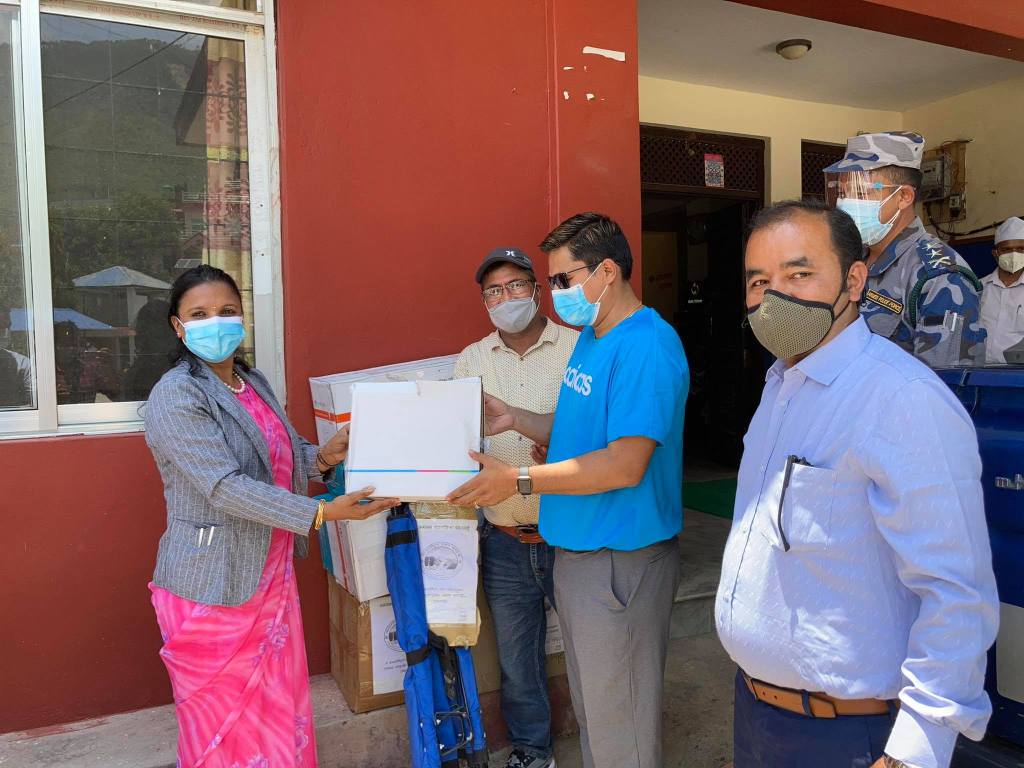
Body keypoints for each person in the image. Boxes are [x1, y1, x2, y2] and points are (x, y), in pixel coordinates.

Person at [717, 199, 998, 768]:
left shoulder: (901, 399)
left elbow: (956, 590)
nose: (775, 297)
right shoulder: (779, 388)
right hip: (758, 716)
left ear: (854, 280)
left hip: (850, 736)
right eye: (759, 281)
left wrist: (914, 750)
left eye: (799, 274)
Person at [446, 213, 689, 768]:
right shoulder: (595, 338)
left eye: (562, 279)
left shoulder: (646, 345)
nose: (556, 293)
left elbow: (625, 463)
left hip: (619, 558)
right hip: (579, 553)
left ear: (607, 271)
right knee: (599, 714)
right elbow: (577, 429)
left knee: (621, 725)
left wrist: (518, 479)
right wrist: (517, 419)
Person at [144, 265, 399, 768]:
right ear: (178, 326)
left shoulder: (252, 381)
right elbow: (223, 486)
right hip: (213, 584)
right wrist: (322, 511)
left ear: (243, 318)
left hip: (270, 578)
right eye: (199, 314)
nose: (215, 322)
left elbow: (279, 455)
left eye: (226, 311)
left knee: (277, 714)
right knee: (222, 729)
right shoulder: (177, 395)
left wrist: (324, 456)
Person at [425, 246, 578, 768]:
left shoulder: (578, 348)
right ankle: (533, 752)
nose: (506, 297)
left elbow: (596, 434)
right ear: (484, 302)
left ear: (537, 290)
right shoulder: (472, 360)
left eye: (515, 286)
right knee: (517, 662)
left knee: (592, 649)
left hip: (570, 532)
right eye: (494, 291)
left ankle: (608, 743)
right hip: (505, 539)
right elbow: (459, 438)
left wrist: (555, 445)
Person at [824, 131, 985, 366]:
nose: (846, 203)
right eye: (842, 193)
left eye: (860, 193)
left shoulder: (939, 277)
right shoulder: (849, 258)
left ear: (904, 196)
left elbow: (942, 380)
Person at [980, 216, 1024, 364]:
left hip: (1018, 373)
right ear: (996, 253)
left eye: (1021, 249)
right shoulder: (978, 288)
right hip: (978, 370)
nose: (1014, 254)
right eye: (1006, 249)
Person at [0, 307, 31, 408]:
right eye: (0, 326)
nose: (5, 331)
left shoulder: (23, 364)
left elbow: (38, 404)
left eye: (7, 326)